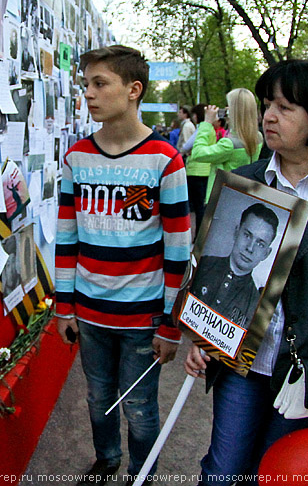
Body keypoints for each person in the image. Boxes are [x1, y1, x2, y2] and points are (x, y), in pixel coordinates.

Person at [185, 60, 308, 486]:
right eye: (266, 105)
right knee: (222, 472)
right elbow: (208, 278)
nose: (269, 117)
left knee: (275, 475)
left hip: (304, 367)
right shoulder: (244, 181)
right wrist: (201, 336)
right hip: (241, 363)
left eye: (284, 107)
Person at [55, 45, 190, 486]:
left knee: (139, 405)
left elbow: (177, 248)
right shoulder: (76, 159)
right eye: (86, 85)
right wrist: (63, 305)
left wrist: (170, 324)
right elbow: (67, 238)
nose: (89, 94)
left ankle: (142, 472)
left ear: (133, 90)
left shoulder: (164, 160)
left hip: (141, 316)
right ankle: (107, 458)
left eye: (100, 84)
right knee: (98, 398)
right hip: (91, 313)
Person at [191, 203, 278, 329]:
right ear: (236, 232)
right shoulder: (203, 264)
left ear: (266, 253)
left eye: (260, 244)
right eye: (247, 235)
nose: (250, 248)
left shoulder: (255, 304)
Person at [190, 88, 263, 204]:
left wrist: (206, 123)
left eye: (228, 106)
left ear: (234, 111)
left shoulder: (229, 144)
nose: (225, 109)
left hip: (221, 199)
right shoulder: (258, 137)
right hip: (243, 194)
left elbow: (197, 153)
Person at [182, 104, 210, 232]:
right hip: (206, 170)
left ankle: (197, 234)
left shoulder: (202, 129)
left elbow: (187, 145)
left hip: (195, 170)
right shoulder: (212, 130)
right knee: (200, 205)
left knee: (196, 206)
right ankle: (199, 232)